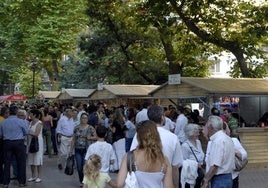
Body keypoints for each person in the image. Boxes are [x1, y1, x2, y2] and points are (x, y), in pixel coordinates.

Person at [130, 105, 183, 188]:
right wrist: (176, 185)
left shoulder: (139, 134)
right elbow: (175, 167)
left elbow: (132, 158)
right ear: (162, 117)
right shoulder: (173, 138)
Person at [117, 120, 174, 188]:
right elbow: (168, 186)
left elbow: (119, 184)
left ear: (138, 136)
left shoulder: (130, 156)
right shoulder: (164, 160)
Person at [202, 115, 235, 188]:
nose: (205, 128)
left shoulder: (217, 141)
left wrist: (206, 180)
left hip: (219, 179)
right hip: (227, 177)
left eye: (206, 126)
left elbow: (215, 165)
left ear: (211, 127)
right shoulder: (227, 138)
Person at [0, 105, 29, 187]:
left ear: (9, 112)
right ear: (16, 112)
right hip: (19, 143)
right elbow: (26, 132)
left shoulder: (4, 122)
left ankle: (5, 183)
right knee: (21, 162)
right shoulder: (20, 121)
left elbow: (1, 134)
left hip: (7, 143)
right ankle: (22, 182)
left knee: (7, 163)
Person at [70, 113, 97, 187]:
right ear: (80, 119)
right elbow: (73, 139)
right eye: (83, 118)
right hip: (77, 149)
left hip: (86, 150)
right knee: (79, 167)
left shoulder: (90, 128)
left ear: (87, 119)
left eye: (85, 118)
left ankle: (85, 182)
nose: (84, 119)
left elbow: (96, 137)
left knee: (85, 167)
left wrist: (90, 138)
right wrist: (70, 150)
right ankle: (82, 180)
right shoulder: (76, 128)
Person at [222, 122, 247, 188]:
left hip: (233, 175)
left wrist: (234, 152)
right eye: (227, 128)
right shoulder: (212, 142)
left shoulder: (234, 140)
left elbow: (244, 155)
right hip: (220, 177)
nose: (229, 130)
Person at [181, 124, 205, 188]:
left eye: (198, 132)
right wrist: (195, 165)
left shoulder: (198, 142)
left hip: (199, 173)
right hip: (191, 176)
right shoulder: (185, 146)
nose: (198, 134)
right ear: (190, 133)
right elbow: (183, 162)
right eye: (196, 132)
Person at [27, 109, 44, 183]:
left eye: (31, 114)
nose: (29, 115)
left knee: (38, 159)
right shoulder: (30, 122)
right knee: (31, 159)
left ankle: (39, 176)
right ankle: (33, 176)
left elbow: (36, 134)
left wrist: (29, 132)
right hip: (31, 142)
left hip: (38, 142)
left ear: (34, 115)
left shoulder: (39, 123)